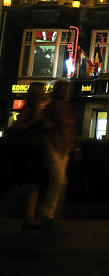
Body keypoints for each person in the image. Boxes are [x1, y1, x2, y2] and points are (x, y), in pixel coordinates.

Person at [1, 83, 49, 229]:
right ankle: (6, 203)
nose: (44, 92)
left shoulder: (39, 109)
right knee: (29, 183)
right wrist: (35, 122)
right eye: (42, 90)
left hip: (35, 149)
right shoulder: (28, 110)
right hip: (27, 150)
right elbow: (16, 128)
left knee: (34, 185)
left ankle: (29, 217)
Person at [38, 79, 77, 225]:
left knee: (61, 182)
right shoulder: (51, 107)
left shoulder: (67, 107)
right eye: (62, 89)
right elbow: (45, 128)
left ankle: (47, 211)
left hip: (64, 149)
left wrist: (74, 146)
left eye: (67, 89)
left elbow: (72, 128)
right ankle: (48, 214)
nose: (65, 92)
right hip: (54, 147)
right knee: (58, 181)